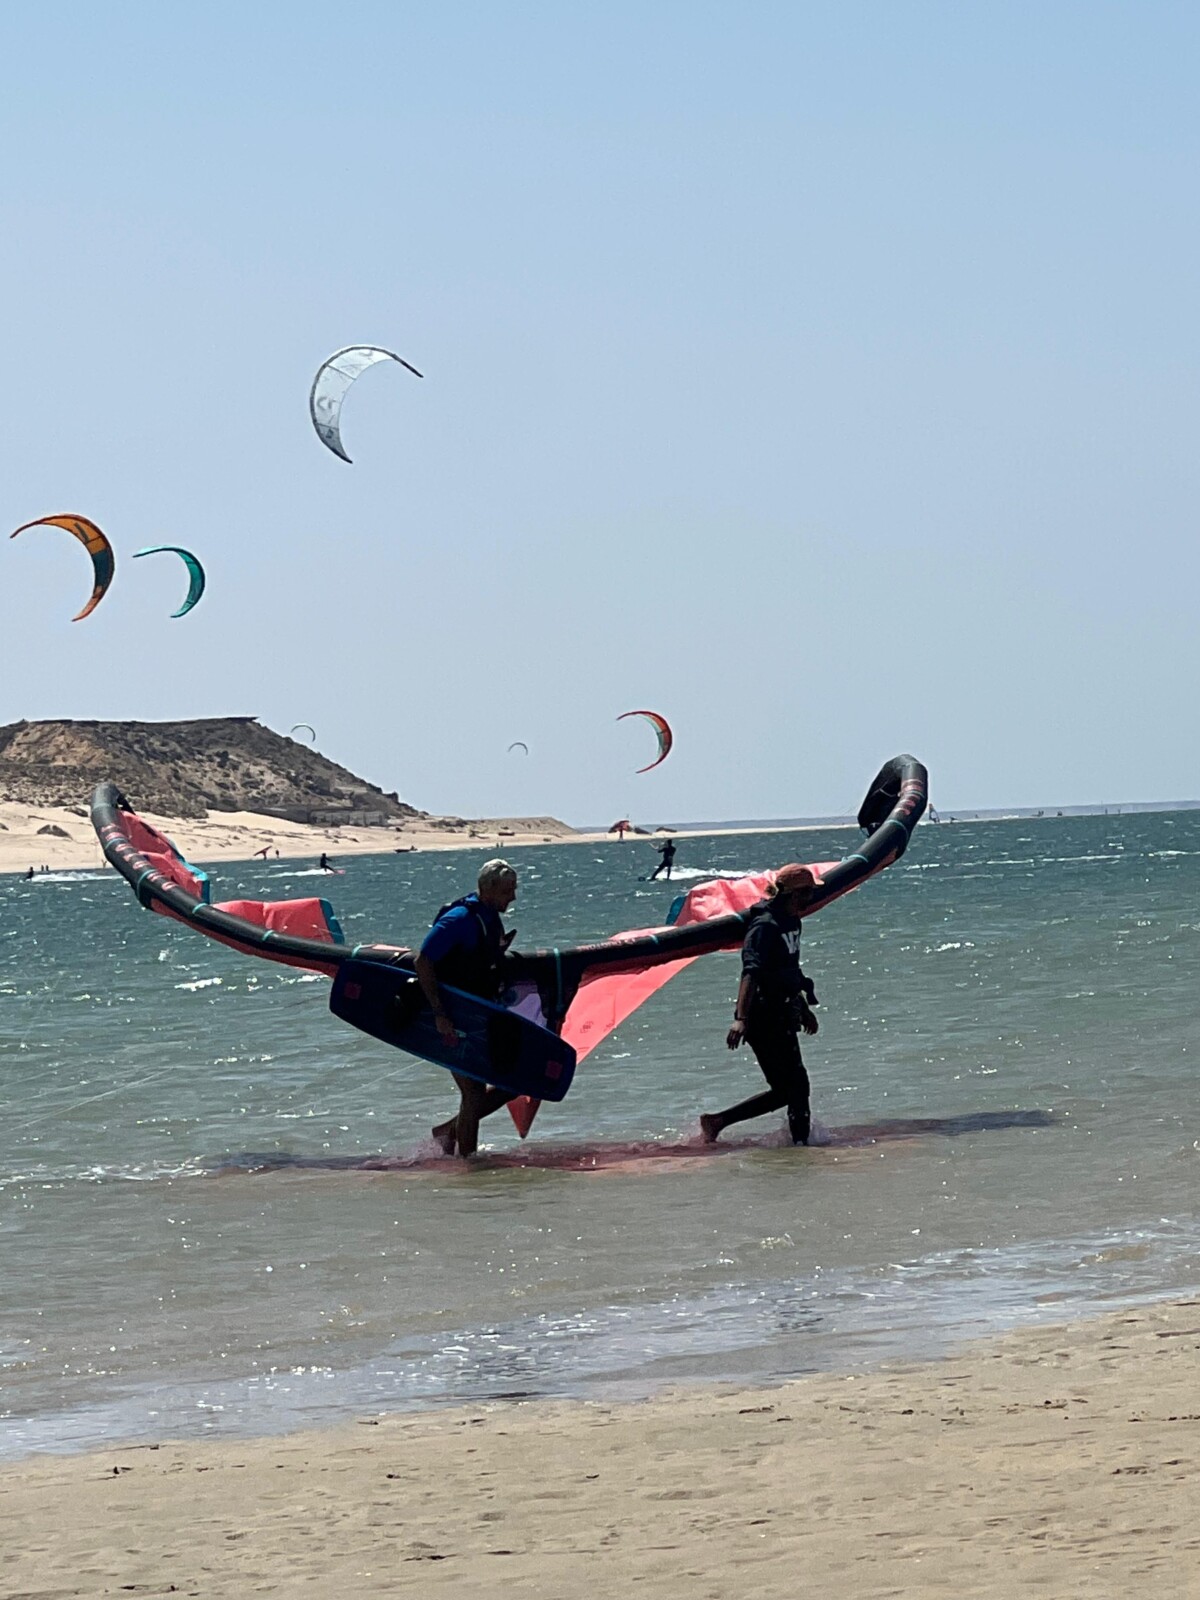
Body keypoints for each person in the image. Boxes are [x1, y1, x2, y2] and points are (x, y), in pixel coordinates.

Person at [701, 863, 820, 1147]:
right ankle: (801, 1146)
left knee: (790, 1090)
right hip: (763, 1016)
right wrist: (741, 1018)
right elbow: (751, 971)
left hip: (784, 1010)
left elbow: (789, 967)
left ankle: (719, 1122)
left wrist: (803, 1006)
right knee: (795, 1088)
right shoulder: (765, 926)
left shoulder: (792, 921)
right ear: (793, 894)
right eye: (807, 894)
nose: (811, 900)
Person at [415, 859, 519, 1157]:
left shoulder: (489, 916)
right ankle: (468, 1163)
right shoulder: (460, 918)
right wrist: (438, 1013)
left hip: (476, 1015)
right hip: (449, 1016)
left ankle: (448, 1133)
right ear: (488, 889)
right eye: (508, 890)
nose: (513, 897)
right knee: (473, 1091)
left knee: (512, 1083)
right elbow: (423, 961)